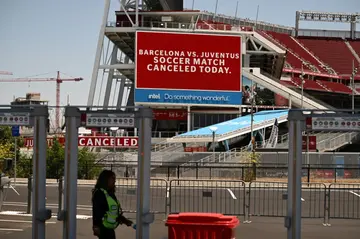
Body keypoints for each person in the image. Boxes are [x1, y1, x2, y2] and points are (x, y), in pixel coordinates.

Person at [92, 170, 133, 239]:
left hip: (110, 228)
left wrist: (124, 220)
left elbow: (113, 210)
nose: (115, 181)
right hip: (103, 228)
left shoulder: (110, 193)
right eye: (113, 178)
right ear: (105, 179)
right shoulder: (99, 193)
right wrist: (96, 226)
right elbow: (97, 211)